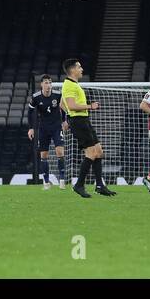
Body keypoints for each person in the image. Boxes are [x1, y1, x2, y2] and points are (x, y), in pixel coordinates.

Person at [61, 58, 116, 198]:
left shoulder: (72, 84)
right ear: (72, 69)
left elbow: (62, 103)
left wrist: (68, 116)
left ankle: (99, 185)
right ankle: (79, 185)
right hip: (79, 121)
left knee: (99, 151)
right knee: (91, 153)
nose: (82, 69)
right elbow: (71, 105)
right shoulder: (69, 85)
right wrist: (90, 106)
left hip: (82, 119)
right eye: (79, 67)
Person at [26, 75, 68, 189]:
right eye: (46, 83)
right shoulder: (36, 97)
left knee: (60, 151)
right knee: (44, 155)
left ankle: (62, 180)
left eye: (50, 82)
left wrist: (64, 121)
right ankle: (46, 182)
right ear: (41, 85)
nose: (48, 85)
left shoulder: (58, 95)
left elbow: (63, 108)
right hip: (43, 129)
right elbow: (30, 112)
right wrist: (31, 128)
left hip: (56, 127)